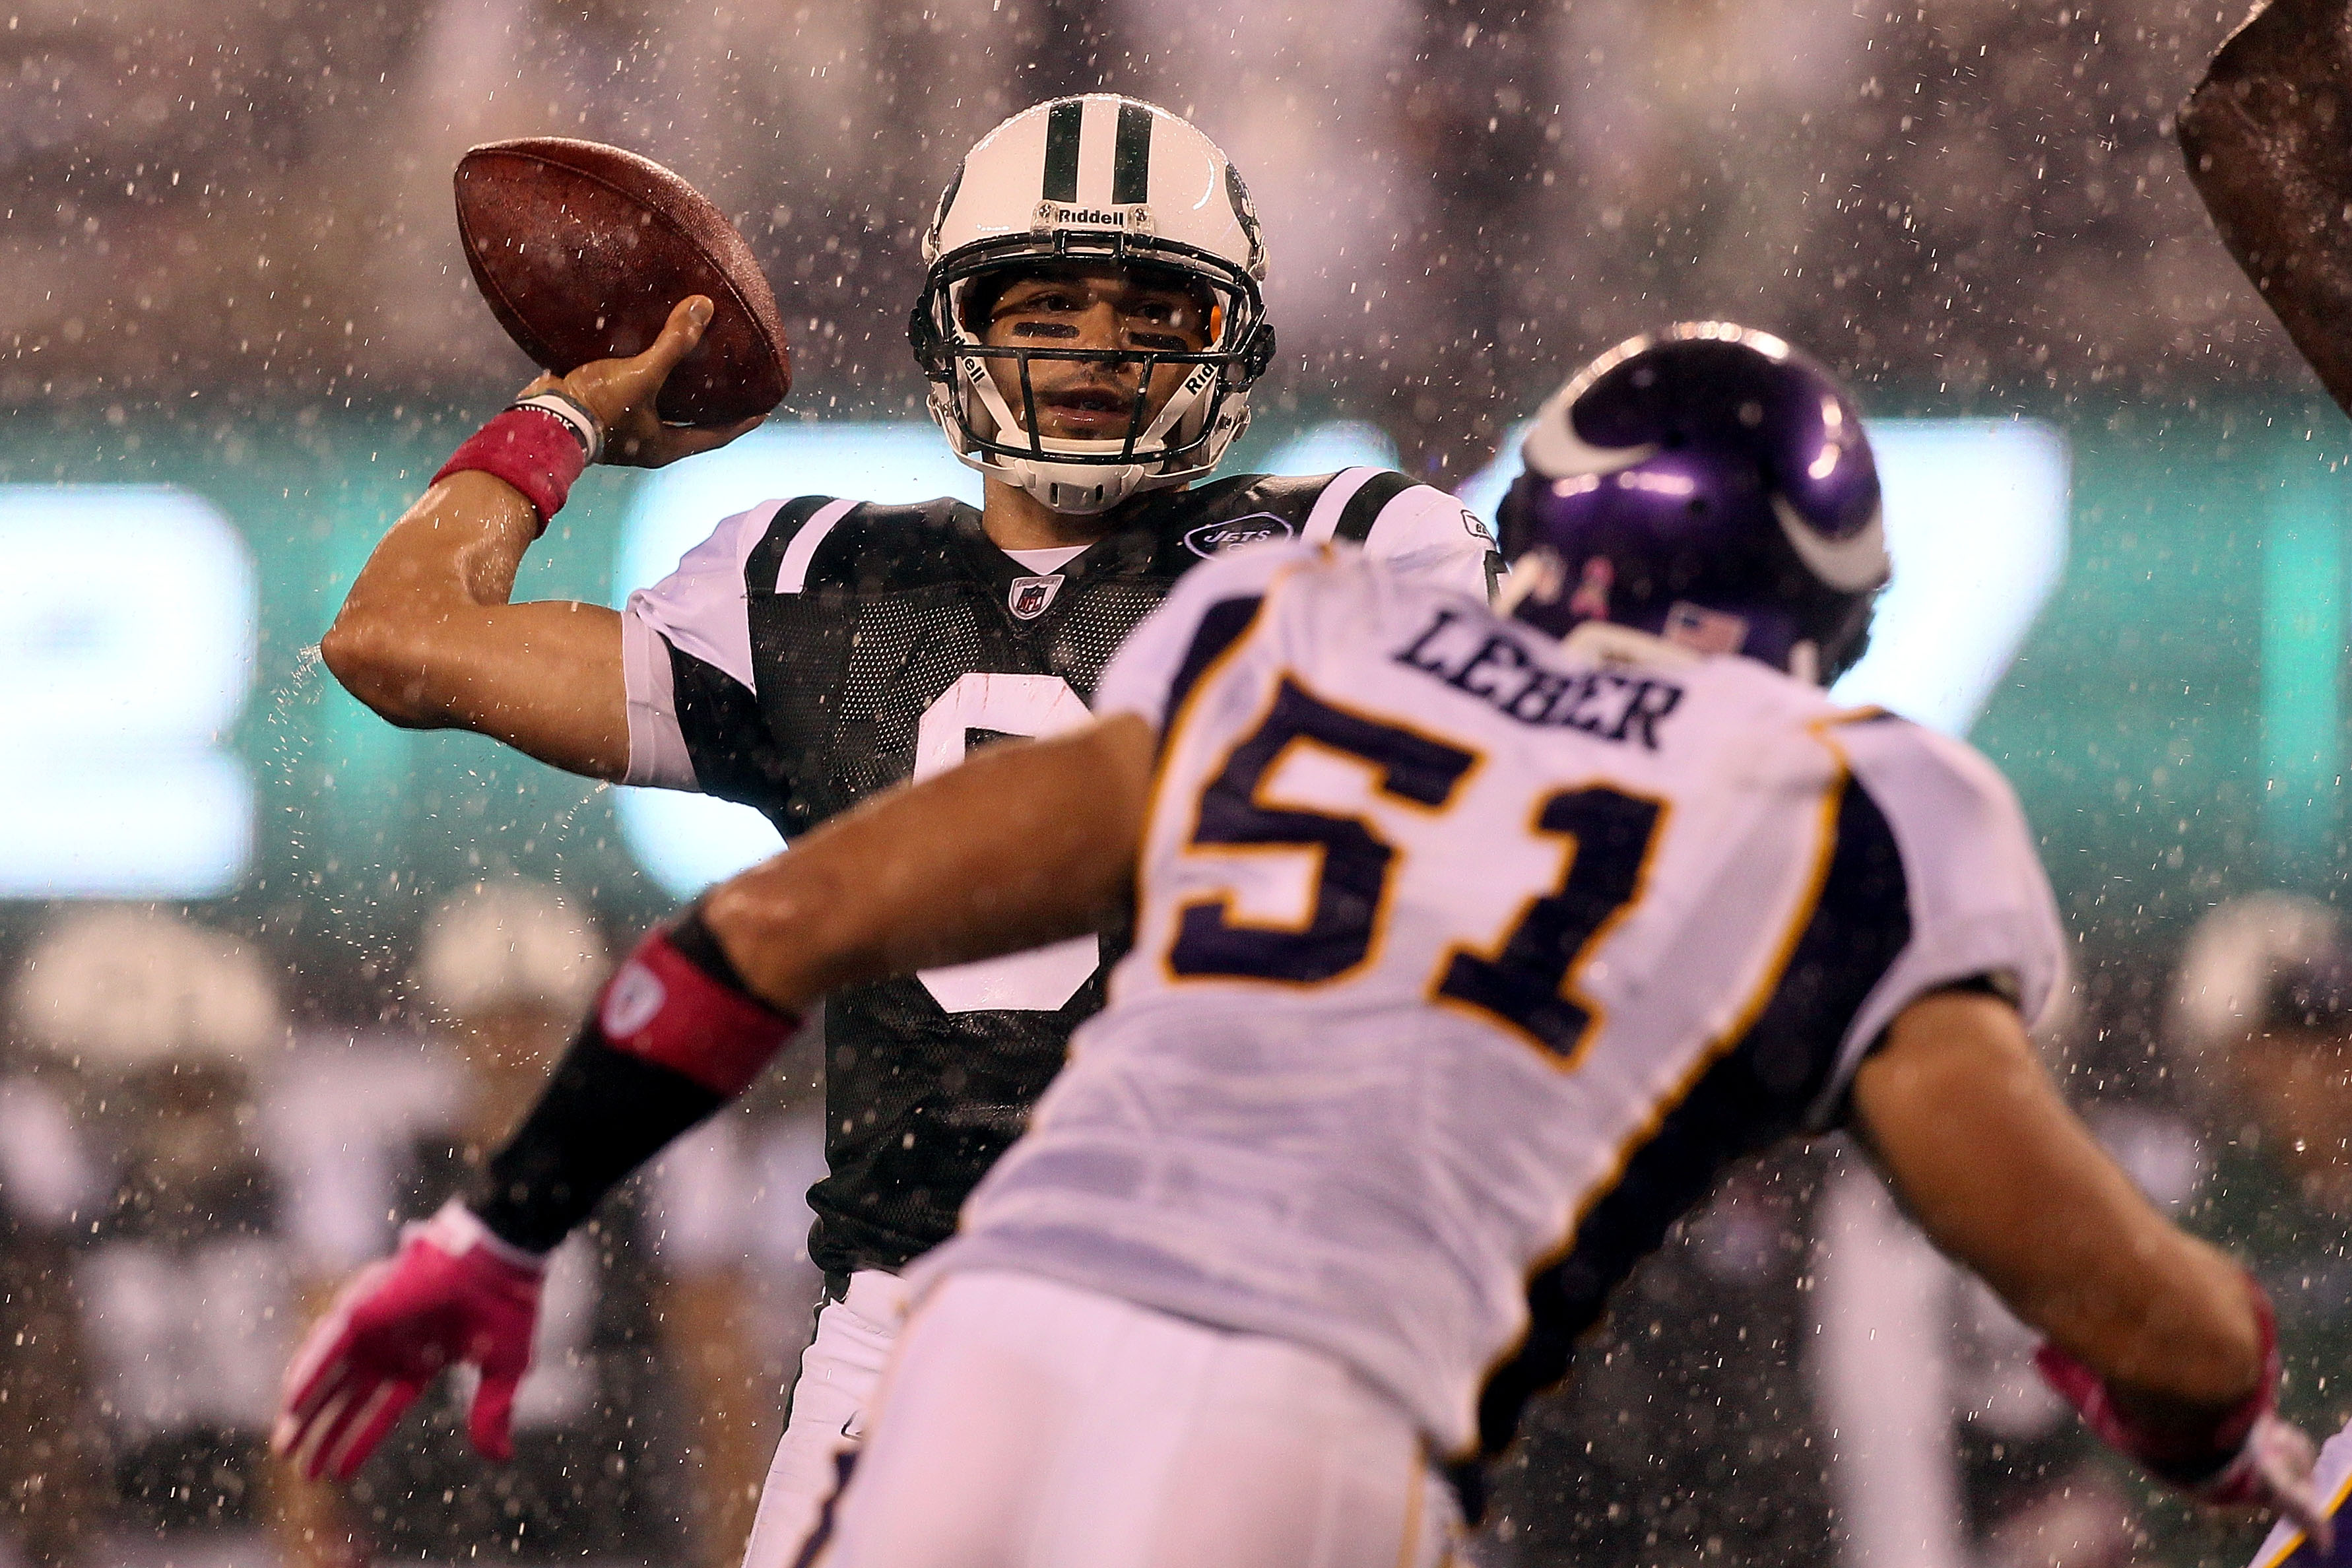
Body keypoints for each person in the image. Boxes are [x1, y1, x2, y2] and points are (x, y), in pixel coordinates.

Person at [287, 323, 2325, 1564]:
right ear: (1824, 610)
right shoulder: (1851, 799)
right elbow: (2097, 1287)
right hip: (1313, 1419)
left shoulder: (1300, 637)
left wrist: (501, 1228)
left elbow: (774, 925)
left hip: (974, 1343)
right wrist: (2231, 1427)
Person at [312, 90, 1497, 1559]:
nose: (1094, 350)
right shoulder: (814, 585)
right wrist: (568, 410)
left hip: (1254, 1317)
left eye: (1150, 312)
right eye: (1045, 302)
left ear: (1226, 343)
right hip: (919, 1315)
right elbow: (397, 641)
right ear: (958, 320)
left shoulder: (1355, 546)